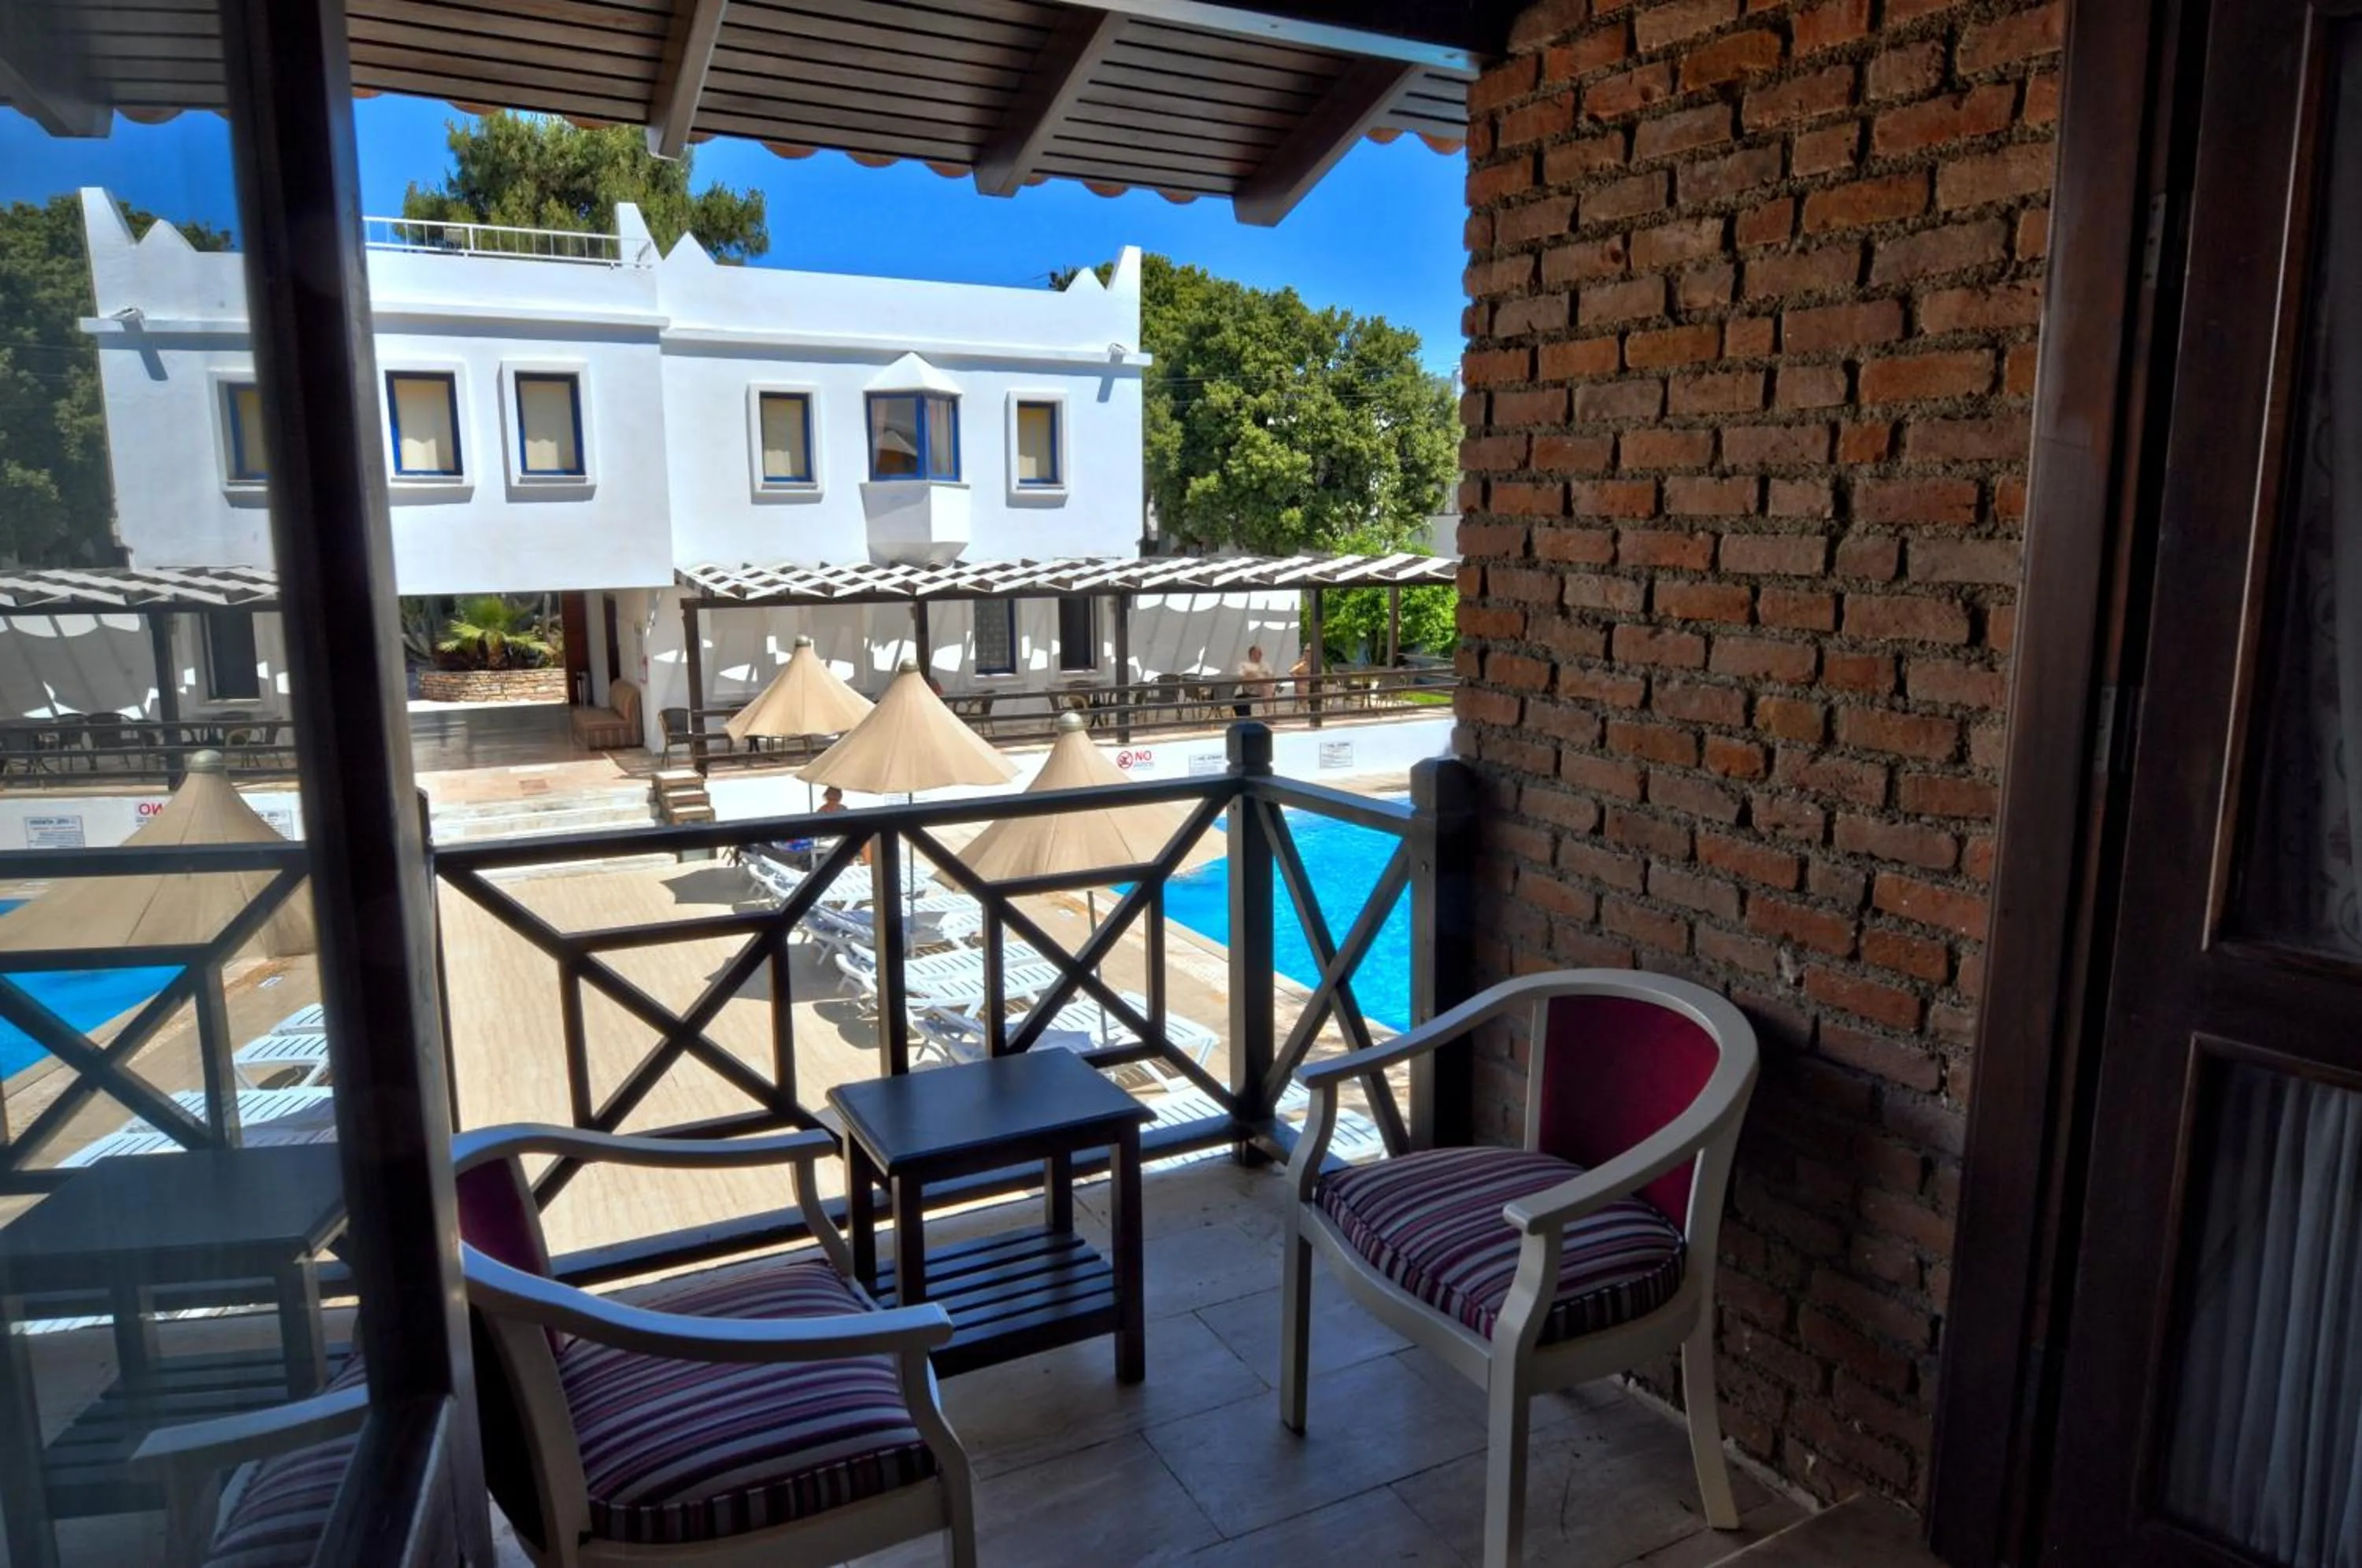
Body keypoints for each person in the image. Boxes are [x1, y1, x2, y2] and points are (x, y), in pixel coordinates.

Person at [1234, 645, 1275, 717]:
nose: (1261, 655)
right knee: (1265, 684)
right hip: (1251, 688)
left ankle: (1268, 714)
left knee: (1266, 685)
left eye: (1261, 653)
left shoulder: (1265, 665)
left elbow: (1271, 676)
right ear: (1252, 654)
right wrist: (1254, 675)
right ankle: (1268, 714)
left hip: (1265, 687)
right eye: (1258, 653)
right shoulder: (1244, 665)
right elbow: (1241, 678)